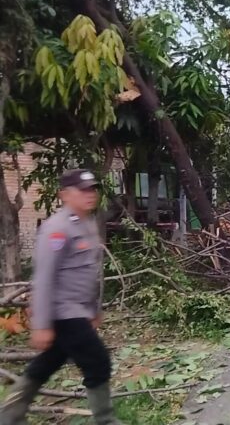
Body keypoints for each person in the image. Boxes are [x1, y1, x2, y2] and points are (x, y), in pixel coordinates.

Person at [0, 169, 122, 425]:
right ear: (64, 194)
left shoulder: (86, 223)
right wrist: (42, 325)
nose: (90, 195)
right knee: (98, 361)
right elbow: (44, 278)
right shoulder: (56, 229)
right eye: (83, 190)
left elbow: (86, 274)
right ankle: (106, 420)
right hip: (63, 312)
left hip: (78, 310)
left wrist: (94, 310)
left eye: (92, 189)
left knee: (49, 362)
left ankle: (9, 414)